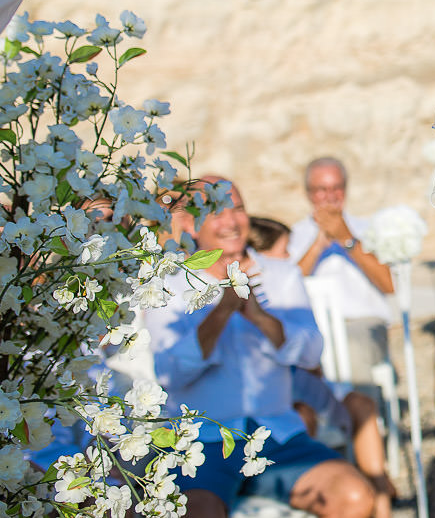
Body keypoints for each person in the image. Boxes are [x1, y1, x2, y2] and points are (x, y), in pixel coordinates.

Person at [146, 176, 375, 518]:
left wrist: (264, 320)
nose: (231, 221)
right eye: (216, 211)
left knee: (354, 497)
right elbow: (169, 373)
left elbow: (313, 351)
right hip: (201, 443)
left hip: (278, 437)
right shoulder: (167, 284)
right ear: (192, 224)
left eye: (238, 209)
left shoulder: (281, 274)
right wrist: (220, 312)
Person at [249, 214, 398, 518]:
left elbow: (310, 357)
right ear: (261, 255)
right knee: (303, 414)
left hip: (304, 380)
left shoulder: (284, 288)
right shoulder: (256, 296)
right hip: (275, 396)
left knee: (362, 404)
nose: (290, 256)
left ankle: (381, 500)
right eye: (284, 250)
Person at [286, 157, 395, 386]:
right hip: (314, 327)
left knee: (351, 347)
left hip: (363, 323)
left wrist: (347, 239)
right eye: (322, 190)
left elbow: (389, 284)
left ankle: (362, 419)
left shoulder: (367, 229)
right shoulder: (294, 236)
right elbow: (287, 286)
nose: (330, 196)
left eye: (337, 188)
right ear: (309, 193)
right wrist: (317, 246)